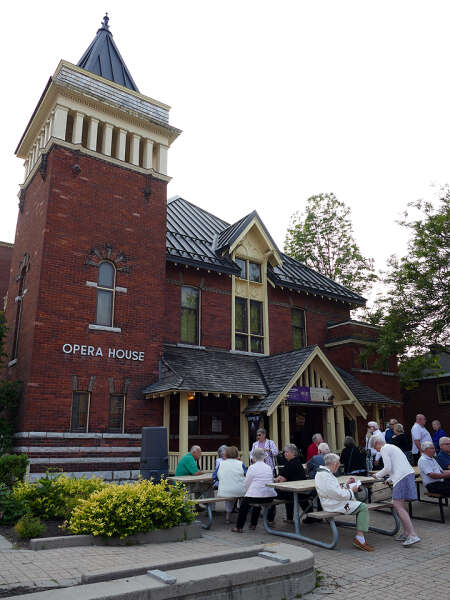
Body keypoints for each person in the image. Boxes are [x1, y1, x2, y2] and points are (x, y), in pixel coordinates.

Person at [315, 453, 374, 552]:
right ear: (334, 464)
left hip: (333, 502)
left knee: (361, 506)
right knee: (363, 507)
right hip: (333, 505)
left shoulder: (324, 473)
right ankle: (360, 539)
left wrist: (346, 485)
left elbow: (334, 491)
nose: (338, 467)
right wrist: (352, 491)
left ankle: (360, 538)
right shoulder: (325, 475)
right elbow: (337, 494)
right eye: (338, 464)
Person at [370, 435, 420, 546]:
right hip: (406, 475)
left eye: (375, 447)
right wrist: (389, 479)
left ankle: (412, 535)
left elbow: (387, 468)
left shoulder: (384, 448)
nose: (377, 450)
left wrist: (376, 475)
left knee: (398, 506)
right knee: (400, 506)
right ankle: (407, 533)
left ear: (377, 443)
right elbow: (395, 467)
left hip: (402, 477)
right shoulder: (392, 447)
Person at [232, 447, 276, 532]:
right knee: (257, 498)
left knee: (245, 503)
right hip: (269, 495)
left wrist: (248, 492)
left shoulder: (252, 467)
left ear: (253, 457)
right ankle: (253, 524)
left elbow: (247, 483)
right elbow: (271, 480)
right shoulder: (268, 467)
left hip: (257, 496)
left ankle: (239, 527)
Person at [273, 443, 313, 523]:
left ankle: (270, 519)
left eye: (286, 452)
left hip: (295, 492)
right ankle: (309, 516)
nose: (285, 454)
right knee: (291, 493)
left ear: (293, 453)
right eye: (285, 452)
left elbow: (280, 479)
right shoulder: (297, 462)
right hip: (301, 491)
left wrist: (274, 479)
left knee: (272, 493)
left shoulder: (291, 464)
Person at [217, 446, 246, 524]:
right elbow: (246, 474)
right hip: (240, 490)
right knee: (242, 495)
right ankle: (242, 515)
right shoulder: (240, 463)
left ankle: (227, 517)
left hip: (224, 491)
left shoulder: (221, 463)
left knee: (229, 495)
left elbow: (215, 476)